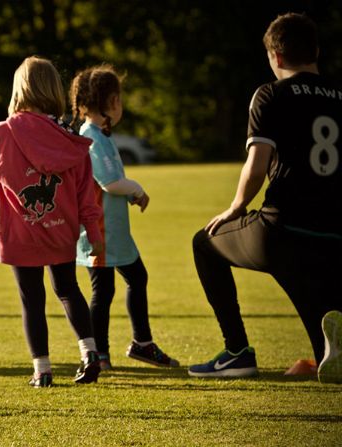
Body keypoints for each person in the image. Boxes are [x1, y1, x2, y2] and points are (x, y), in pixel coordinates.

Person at [188, 13, 342, 383]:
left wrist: (236, 207)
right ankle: (322, 355)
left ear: (276, 56)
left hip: (282, 230)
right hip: (334, 236)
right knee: (328, 343)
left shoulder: (271, 94)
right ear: (316, 51)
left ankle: (237, 352)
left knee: (204, 243)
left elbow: (256, 166)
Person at [0, 56, 105, 387]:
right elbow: (86, 193)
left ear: (19, 90)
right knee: (68, 289)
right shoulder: (69, 138)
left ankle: (42, 370)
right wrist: (94, 233)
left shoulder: (4, 133)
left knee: (32, 300)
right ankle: (90, 353)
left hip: (20, 236)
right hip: (61, 232)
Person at [70, 64, 179, 371]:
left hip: (113, 231)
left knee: (127, 281)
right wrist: (137, 189)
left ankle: (136, 345)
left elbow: (109, 180)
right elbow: (109, 182)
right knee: (106, 290)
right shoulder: (91, 136)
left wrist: (129, 193)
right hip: (101, 231)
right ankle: (102, 353)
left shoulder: (98, 135)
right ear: (112, 101)